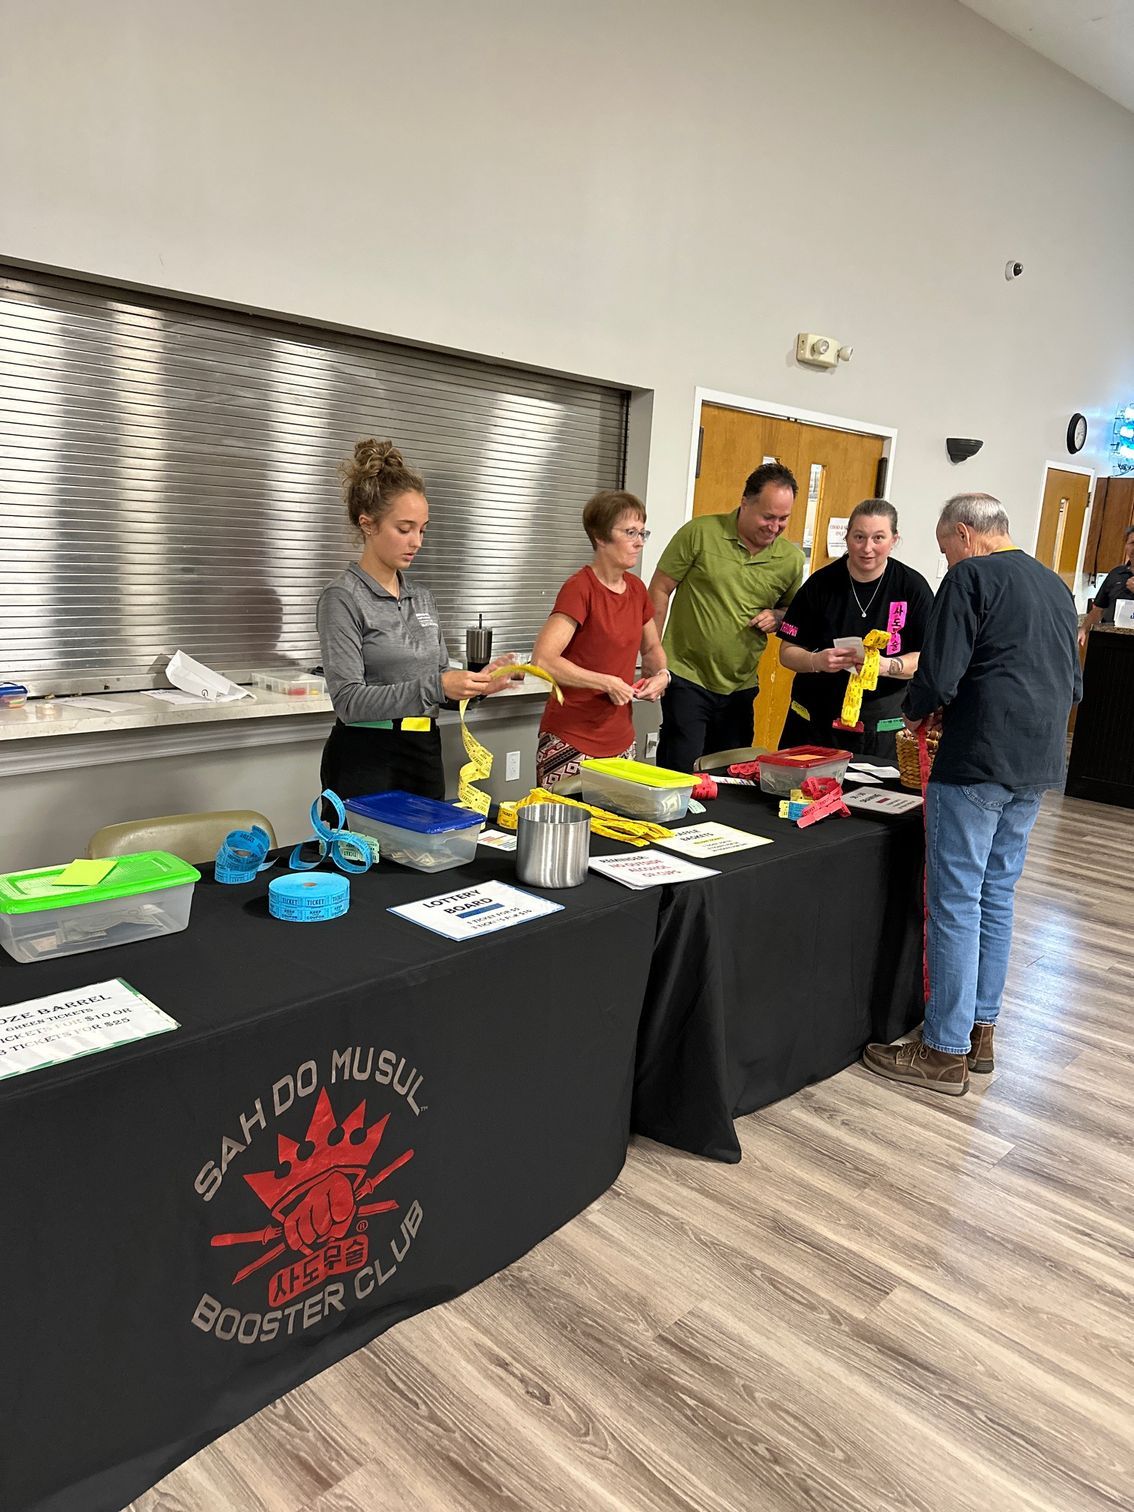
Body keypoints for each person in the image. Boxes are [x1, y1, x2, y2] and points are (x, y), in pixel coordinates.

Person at [863, 494, 1081, 1096]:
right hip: (1037, 763)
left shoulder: (971, 577)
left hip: (977, 758)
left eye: (945, 549)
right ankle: (980, 1033)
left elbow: (940, 672)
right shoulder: (1054, 585)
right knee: (996, 896)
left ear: (964, 534)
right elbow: (1074, 685)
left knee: (955, 901)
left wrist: (915, 714)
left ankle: (943, 1050)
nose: (946, 562)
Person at [317, 439, 509, 802]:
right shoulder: (342, 598)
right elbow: (348, 701)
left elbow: (439, 683)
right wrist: (437, 686)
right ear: (368, 524)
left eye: (422, 529)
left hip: (424, 753)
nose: (417, 541)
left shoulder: (422, 598)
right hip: (366, 758)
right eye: (404, 529)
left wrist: (478, 686)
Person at [648, 462, 805, 771]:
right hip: (687, 675)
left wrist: (777, 617)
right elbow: (659, 590)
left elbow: (793, 615)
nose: (774, 526)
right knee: (680, 772)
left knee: (731, 775)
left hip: (740, 685)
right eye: (768, 516)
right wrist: (653, 655)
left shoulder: (791, 559)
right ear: (745, 502)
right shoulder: (699, 533)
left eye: (783, 518)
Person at [776, 500, 933, 761]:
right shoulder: (820, 584)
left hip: (881, 727)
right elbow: (787, 652)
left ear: (894, 540)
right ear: (847, 537)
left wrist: (885, 666)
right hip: (815, 723)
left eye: (878, 538)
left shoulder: (912, 587)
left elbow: (927, 659)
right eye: (859, 537)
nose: (867, 548)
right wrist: (816, 661)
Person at [532, 490, 669, 788]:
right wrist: (605, 682)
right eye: (630, 532)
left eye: (642, 533)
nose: (639, 542)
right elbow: (543, 660)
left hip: (621, 740)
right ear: (601, 537)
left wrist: (662, 675)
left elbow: (652, 648)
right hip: (571, 738)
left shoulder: (637, 589)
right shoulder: (580, 589)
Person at [1078, 523, 1134, 644]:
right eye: (1132, 543)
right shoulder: (1116, 573)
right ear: (1126, 546)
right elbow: (1099, 609)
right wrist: (1083, 630)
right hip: (1109, 641)